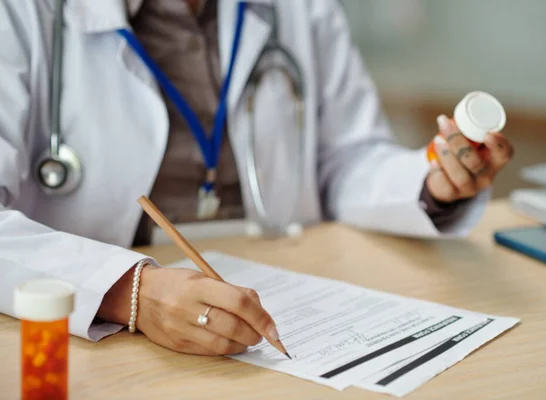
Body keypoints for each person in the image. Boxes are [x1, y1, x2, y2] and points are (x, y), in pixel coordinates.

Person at [0, 0, 514, 356]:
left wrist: (431, 185)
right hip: (103, 334)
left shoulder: (301, 9)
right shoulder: (24, 15)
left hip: (284, 287)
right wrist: (129, 292)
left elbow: (348, 158)